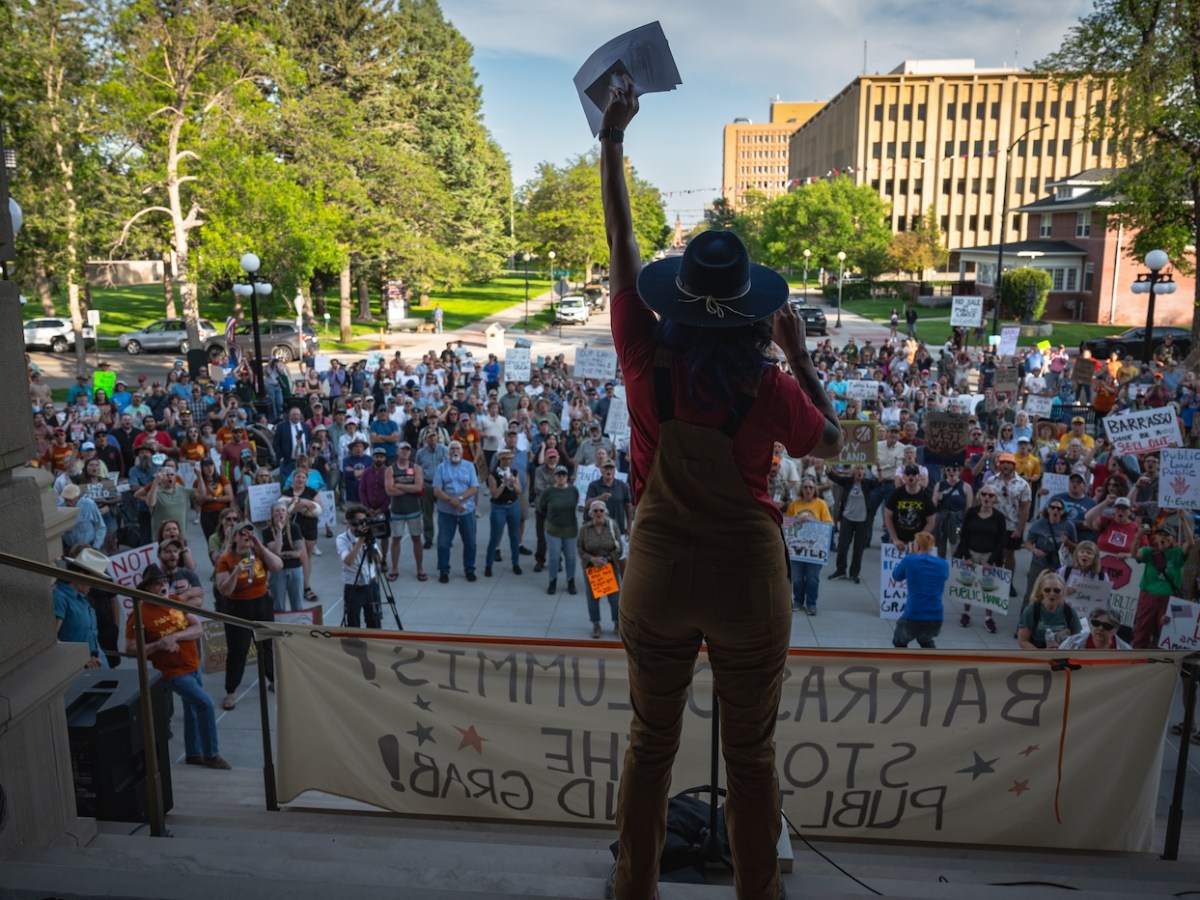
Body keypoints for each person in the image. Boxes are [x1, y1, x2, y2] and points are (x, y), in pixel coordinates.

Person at [599, 80, 842, 900]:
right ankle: (757, 893)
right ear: (751, 311)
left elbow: (623, 248)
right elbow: (833, 444)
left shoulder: (641, 354)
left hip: (659, 569)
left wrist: (610, 143)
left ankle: (634, 888)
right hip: (747, 575)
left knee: (649, 744)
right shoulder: (768, 385)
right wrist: (800, 355)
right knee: (752, 758)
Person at [124, 564, 230, 769]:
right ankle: (211, 754)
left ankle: (193, 753)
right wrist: (158, 644)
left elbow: (198, 628)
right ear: (146, 588)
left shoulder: (174, 601)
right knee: (205, 704)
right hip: (172, 672)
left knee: (192, 709)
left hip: (192, 665)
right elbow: (129, 648)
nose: (163, 586)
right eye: (157, 584)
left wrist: (174, 636)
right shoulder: (139, 613)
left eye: (164, 581)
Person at [214, 521, 282, 709]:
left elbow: (278, 566)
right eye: (243, 533)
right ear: (235, 537)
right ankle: (231, 691)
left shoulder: (259, 553)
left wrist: (261, 547)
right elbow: (224, 590)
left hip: (262, 603)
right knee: (238, 649)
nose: (248, 536)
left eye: (251, 533)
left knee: (267, 644)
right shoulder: (226, 559)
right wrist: (236, 572)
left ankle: (272, 680)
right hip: (238, 607)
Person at [954, 484, 1007, 632]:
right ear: (979, 496)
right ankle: (966, 613)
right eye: (984, 494)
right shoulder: (971, 513)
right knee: (968, 585)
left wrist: (991, 561)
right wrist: (966, 556)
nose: (987, 498)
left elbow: (1001, 541)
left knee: (988, 588)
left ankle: (988, 617)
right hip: (972, 553)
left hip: (989, 555)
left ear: (995, 499)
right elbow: (963, 536)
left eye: (990, 496)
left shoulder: (999, 517)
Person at [1132, 525, 1191, 649]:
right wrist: (1138, 536)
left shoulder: (1178, 554)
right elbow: (1135, 555)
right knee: (1142, 631)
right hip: (1148, 598)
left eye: (1167, 535)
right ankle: (1136, 662)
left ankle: (1164, 663)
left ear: (1174, 540)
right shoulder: (1149, 552)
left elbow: (1190, 542)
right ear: (1155, 538)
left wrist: (1184, 520)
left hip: (1169, 599)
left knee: (1168, 632)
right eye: (1160, 534)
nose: (1163, 537)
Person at [55, 546, 112, 668]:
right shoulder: (60, 597)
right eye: (93, 580)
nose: (93, 586)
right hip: (78, 669)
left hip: (98, 664)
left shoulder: (83, 598)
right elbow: (52, 640)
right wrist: (80, 658)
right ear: (81, 575)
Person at [890, 531, 949, 647]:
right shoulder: (943, 564)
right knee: (925, 640)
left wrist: (911, 554)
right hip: (936, 616)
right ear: (932, 546)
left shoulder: (910, 560)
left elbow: (896, 576)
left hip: (914, 614)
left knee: (899, 641)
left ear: (917, 545)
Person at [431, 440, 479, 583]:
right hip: (447, 512)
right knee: (443, 543)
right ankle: (444, 570)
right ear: (448, 452)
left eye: (457, 448)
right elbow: (437, 490)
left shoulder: (469, 466)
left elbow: (474, 488)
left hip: (467, 511)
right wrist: (453, 502)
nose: (455, 451)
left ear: (462, 452)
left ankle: (469, 569)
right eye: (452, 449)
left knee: (470, 542)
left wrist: (459, 499)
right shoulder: (441, 467)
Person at [784, 477, 832, 615]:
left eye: (811, 487)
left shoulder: (821, 504)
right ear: (801, 489)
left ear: (815, 489)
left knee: (812, 578)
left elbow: (829, 524)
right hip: (797, 550)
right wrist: (796, 521)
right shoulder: (794, 504)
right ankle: (798, 600)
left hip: (815, 550)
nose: (808, 490)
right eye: (805, 487)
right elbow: (788, 524)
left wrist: (813, 521)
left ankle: (811, 603)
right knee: (797, 578)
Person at [577, 498, 623, 638]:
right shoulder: (585, 529)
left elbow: (619, 547)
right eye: (595, 511)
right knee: (592, 598)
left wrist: (606, 559)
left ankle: (617, 623)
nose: (598, 513)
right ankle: (596, 625)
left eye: (601, 510)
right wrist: (592, 559)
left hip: (609, 567)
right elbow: (580, 549)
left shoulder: (612, 526)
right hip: (592, 568)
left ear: (605, 512)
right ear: (591, 514)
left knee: (615, 598)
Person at [385, 441, 427, 581]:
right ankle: (394, 568)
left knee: (417, 539)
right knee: (396, 539)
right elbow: (390, 490)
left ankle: (420, 568)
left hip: (414, 510)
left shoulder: (416, 468)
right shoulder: (390, 469)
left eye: (408, 449)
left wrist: (399, 485)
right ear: (397, 451)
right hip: (397, 511)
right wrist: (409, 487)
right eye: (402, 449)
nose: (405, 452)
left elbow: (419, 488)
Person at [337, 504, 384, 628]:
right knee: (353, 624)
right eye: (357, 522)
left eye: (363, 522)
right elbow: (348, 561)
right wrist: (360, 541)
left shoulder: (369, 536)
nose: (361, 526)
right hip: (354, 587)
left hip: (371, 585)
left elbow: (379, 560)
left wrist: (370, 541)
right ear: (349, 522)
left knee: (375, 622)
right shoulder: (342, 539)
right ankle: (355, 647)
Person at [536, 465, 579, 595]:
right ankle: (552, 581)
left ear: (567, 477)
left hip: (570, 529)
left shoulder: (573, 490)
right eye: (558, 475)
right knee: (554, 557)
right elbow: (542, 508)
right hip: (553, 529)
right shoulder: (548, 492)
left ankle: (571, 581)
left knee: (571, 558)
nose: (561, 477)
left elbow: (576, 503)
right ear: (554, 477)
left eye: (563, 475)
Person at [1017, 570, 1083, 649]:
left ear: (1062, 592)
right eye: (1047, 590)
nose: (1052, 593)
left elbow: (1077, 640)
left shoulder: (1070, 612)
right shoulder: (1031, 611)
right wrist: (1044, 655)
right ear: (1041, 591)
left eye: (1056, 590)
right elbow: (1023, 641)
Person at [484, 447, 523, 577]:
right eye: (507, 459)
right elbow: (495, 495)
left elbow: (519, 490)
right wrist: (503, 484)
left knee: (514, 536)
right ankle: (488, 565)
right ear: (501, 460)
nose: (509, 461)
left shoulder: (514, 472)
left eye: (511, 459)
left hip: (513, 506)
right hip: (499, 507)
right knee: (495, 537)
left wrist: (513, 482)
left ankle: (515, 563)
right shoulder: (493, 475)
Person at [263, 499, 306, 612]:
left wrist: (278, 555)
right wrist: (279, 530)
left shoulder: (294, 527)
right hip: (277, 571)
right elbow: (276, 551)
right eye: (277, 511)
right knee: (278, 605)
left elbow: (297, 553)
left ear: (287, 513)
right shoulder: (267, 531)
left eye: (283, 510)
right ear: (272, 514)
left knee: (297, 604)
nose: (280, 513)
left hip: (295, 568)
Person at [1058, 607, 1131, 650]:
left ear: (1116, 629)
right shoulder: (1071, 643)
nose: (1100, 628)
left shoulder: (1127, 651)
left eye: (1106, 626)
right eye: (1096, 623)